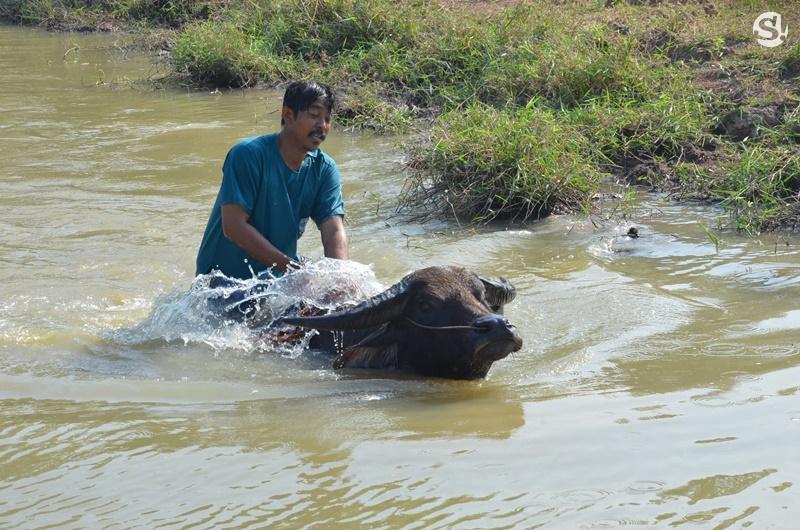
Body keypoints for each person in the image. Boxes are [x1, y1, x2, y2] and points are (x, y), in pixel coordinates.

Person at [195, 81, 348, 319]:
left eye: (328, 119)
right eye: (315, 116)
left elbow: (333, 230)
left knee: (346, 296)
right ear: (288, 115)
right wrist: (293, 269)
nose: (323, 126)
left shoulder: (324, 168)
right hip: (225, 283)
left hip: (277, 277)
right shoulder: (247, 155)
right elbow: (233, 227)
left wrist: (339, 281)